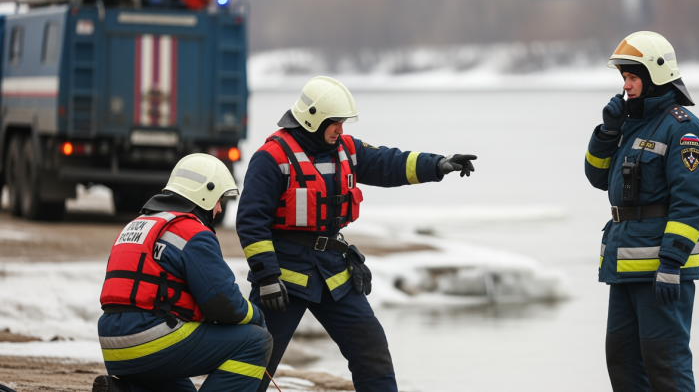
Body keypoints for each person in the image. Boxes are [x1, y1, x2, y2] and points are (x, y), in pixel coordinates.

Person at [237, 76, 477, 392]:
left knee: (372, 354)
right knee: (254, 364)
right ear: (312, 119)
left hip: (333, 272)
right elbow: (251, 222)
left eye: (342, 122)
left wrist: (439, 164)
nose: (340, 129)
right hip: (285, 279)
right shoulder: (271, 158)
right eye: (335, 122)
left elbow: (391, 163)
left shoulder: (347, 149)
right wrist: (267, 278)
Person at [584, 31, 699, 392]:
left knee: (665, 366)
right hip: (624, 267)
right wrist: (607, 133)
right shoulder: (628, 125)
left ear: (656, 74)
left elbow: (694, 203)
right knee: (622, 363)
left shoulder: (683, 131)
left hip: (662, 273)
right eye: (623, 78)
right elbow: (597, 177)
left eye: (632, 77)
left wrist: (672, 263)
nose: (626, 86)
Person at [93, 154, 271, 392]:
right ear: (204, 194)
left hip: (114, 343)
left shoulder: (139, 224)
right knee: (256, 341)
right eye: (218, 200)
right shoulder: (192, 232)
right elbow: (223, 303)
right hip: (152, 338)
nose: (218, 209)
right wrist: (257, 317)